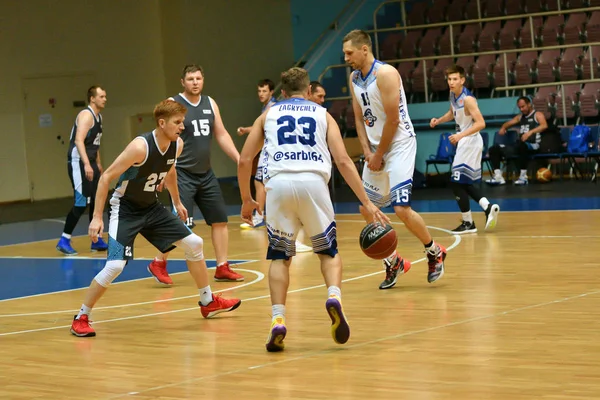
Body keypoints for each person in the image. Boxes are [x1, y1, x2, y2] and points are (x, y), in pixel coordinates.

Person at [238, 67, 390, 352]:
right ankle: (333, 296)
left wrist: (247, 198)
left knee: (280, 258)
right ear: (309, 92)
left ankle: (278, 319)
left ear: (281, 93)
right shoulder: (323, 114)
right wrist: (367, 203)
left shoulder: (267, 115)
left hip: (279, 186)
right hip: (313, 183)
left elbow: (245, 160)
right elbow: (343, 161)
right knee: (328, 252)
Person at [70, 100, 241, 337]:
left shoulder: (176, 144)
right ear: (162, 123)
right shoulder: (140, 146)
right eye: (177, 122)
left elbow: (170, 170)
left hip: (151, 208)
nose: (182, 127)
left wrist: (177, 202)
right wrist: (97, 218)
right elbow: (106, 177)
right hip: (125, 209)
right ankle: (81, 316)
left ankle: (207, 301)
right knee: (115, 266)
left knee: (195, 243)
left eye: (183, 122)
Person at [343, 29, 446, 290]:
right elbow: (358, 117)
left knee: (400, 208)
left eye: (349, 53)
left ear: (364, 49)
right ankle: (393, 261)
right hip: (375, 147)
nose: (346, 58)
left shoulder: (386, 74)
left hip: (399, 143)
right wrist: (367, 151)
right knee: (367, 208)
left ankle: (434, 251)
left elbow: (393, 120)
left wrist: (378, 155)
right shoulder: (354, 77)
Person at [146, 64, 244, 285]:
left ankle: (222, 267)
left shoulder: (211, 103)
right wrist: (161, 170)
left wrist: (239, 159)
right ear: (183, 82)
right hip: (182, 174)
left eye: (198, 78)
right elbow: (162, 139)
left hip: (206, 173)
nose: (195, 82)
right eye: (190, 79)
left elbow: (221, 133)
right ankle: (158, 262)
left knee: (220, 220)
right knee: (179, 222)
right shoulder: (173, 105)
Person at [237, 79, 313, 252]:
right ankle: (267, 219)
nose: (261, 94)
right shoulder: (268, 108)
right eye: (259, 91)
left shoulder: (273, 108)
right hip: (295, 169)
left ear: (275, 92)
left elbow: (259, 134)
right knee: (262, 184)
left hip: (272, 155)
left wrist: (245, 130)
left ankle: (260, 216)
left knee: (262, 184)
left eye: (264, 91)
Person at [430, 65, 501, 234]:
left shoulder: (468, 99)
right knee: (461, 182)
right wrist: (438, 121)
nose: (452, 82)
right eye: (449, 79)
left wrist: (460, 136)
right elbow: (452, 113)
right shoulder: (453, 95)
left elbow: (481, 123)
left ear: (462, 80)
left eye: (455, 79)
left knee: (456, 182)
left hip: (470, 141)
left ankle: (470, 222)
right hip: (465, 141)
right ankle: (485, 208)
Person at [56, 86, 109, 255]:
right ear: (92, 98)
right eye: (101, 96)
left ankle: (96, 239)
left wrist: (98, 163)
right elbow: (79, 141)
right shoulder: (86, 115)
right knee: (81, 202)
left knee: (96, 200)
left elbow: (95, 143)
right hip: (78, 162)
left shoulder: (98, 117)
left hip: (91, 161)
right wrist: (86, 164)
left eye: (105, 96)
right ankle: (64, 239)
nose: (104, 99)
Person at [485, 96, 549, 186]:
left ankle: (523, 177)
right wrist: (503, 127)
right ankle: (498, 177)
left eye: (523, 106)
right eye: (520, 107)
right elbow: (508, 123)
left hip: (534, 145)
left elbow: (544, 125)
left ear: (529, 104)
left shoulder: (537, 114)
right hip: (519, 145)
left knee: (521, 146)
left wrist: (530, 132)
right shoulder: (520, 117)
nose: (521, 109)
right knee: (494, 149)